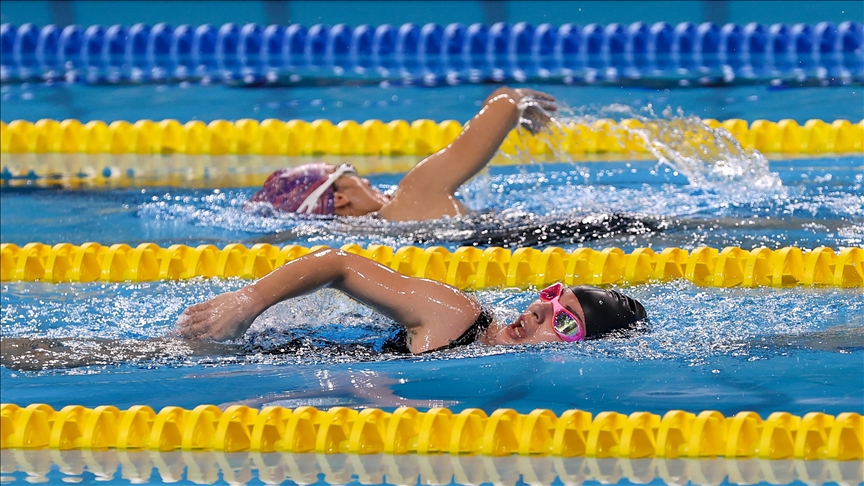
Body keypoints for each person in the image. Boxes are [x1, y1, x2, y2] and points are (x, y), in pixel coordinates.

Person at [176, 248, 647, 354]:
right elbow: (339, 264)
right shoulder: (456, 315)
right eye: (550, 298)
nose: (540, 310)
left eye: (564, 322)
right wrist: (249, 299)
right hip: (239, 351)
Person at [244, 87, 558, 221]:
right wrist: (522, 100)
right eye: (350, 172)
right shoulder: (412, 197)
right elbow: (505, 103)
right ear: (339, 198)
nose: (365, 178)